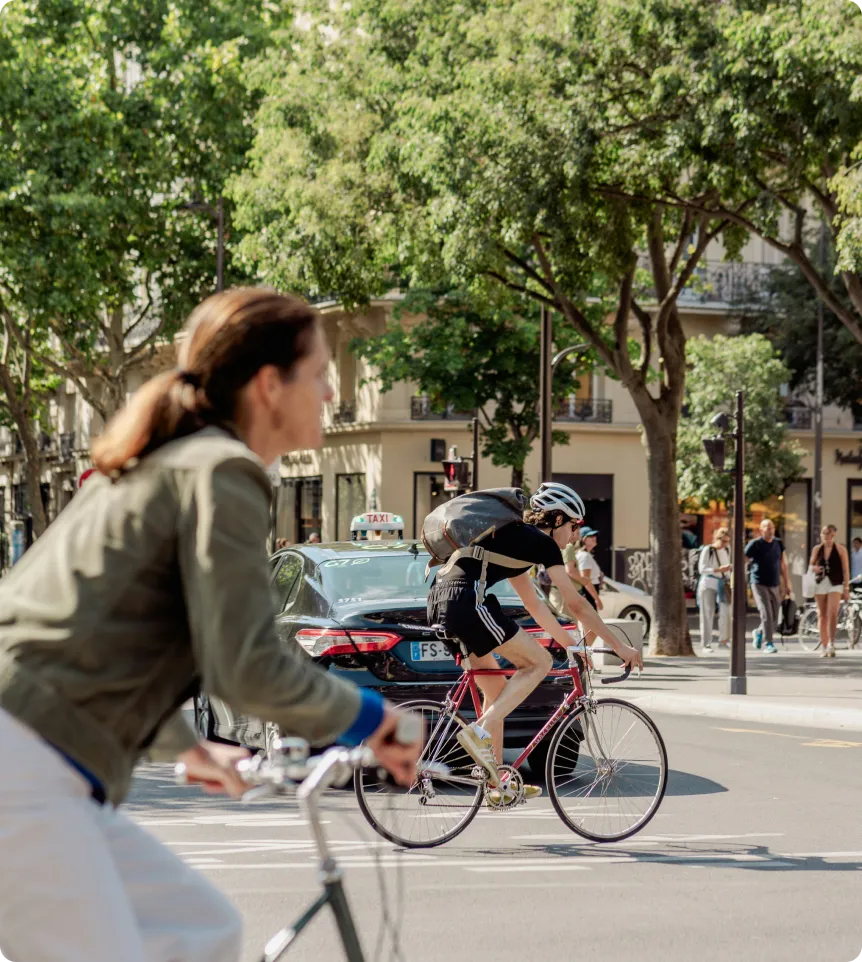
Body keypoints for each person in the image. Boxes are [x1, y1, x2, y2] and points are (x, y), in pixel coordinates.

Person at [0, 288, 422, 962]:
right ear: (268, 386)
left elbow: (99, 643)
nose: (332, 389)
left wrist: (188, 748)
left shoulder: (170, 462)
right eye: (318, 372)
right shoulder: (222, 471)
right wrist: (378, 718)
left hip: (37, 757)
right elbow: (246, 666)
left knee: (200, 929)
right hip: (23, 765)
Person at [426, 481, 642, 803]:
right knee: (539, 662)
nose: (573, 537)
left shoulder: (513, 540)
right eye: (572, 526)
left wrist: (572, 644)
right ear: (556, 520)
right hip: (466, 601)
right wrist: (619, 647)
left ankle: (497, 784)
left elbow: (534, 605)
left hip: (441, 599)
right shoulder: (541, 544)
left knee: (496, 694)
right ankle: (479, 731)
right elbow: (577, 604)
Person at [745, 518, 792, 655]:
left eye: (771, 527)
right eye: (766, 527)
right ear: (761, 530)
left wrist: (787, 584)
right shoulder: (755, 544)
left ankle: (759, 632)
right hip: (758, 583)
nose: (769, 530)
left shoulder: (778, 543)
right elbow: (743, 560)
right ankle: (769, 643)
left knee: (775, 616)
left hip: (775, 584)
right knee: (766, 613)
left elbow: (783, 564)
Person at [808, 524, 851, 658]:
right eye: (824, 533)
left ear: (833, 535)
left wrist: (846, 587)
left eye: (829, 534)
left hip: (836, 583)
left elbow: (845, 569)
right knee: (822, 614)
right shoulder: (817, 549)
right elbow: (811, 565)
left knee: (832, 612)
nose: (827, 536)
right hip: (820, 583)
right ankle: (824, 645)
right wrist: (814, 568)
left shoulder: (840, 550)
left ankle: (831, 644)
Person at [696, 527, 732, 654]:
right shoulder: (708, 550)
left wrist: (728, 571)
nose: (725, 544)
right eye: (723, 541)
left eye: (727, 541)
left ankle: (723, 640)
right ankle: (706, 644)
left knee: (726, 612)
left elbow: (727, 568)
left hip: (723, 583)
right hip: (708, 583)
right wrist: (718, 570)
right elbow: (702, 569)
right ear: (717, 539)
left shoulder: (727, 549)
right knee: (707, 613)